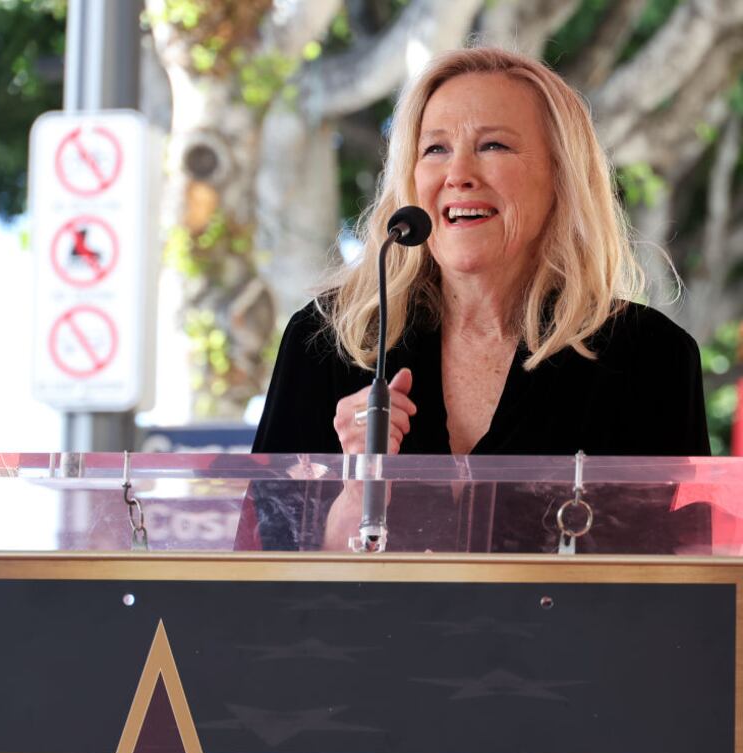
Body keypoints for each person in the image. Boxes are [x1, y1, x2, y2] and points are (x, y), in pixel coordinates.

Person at [253, 45, 710, 459]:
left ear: (561, 177)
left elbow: (672, 552)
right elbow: (263, 549)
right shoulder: (326, 342)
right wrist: (358, 490)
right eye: (435, 148)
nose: (458, 174)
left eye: (493, 145)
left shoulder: (652, 358)